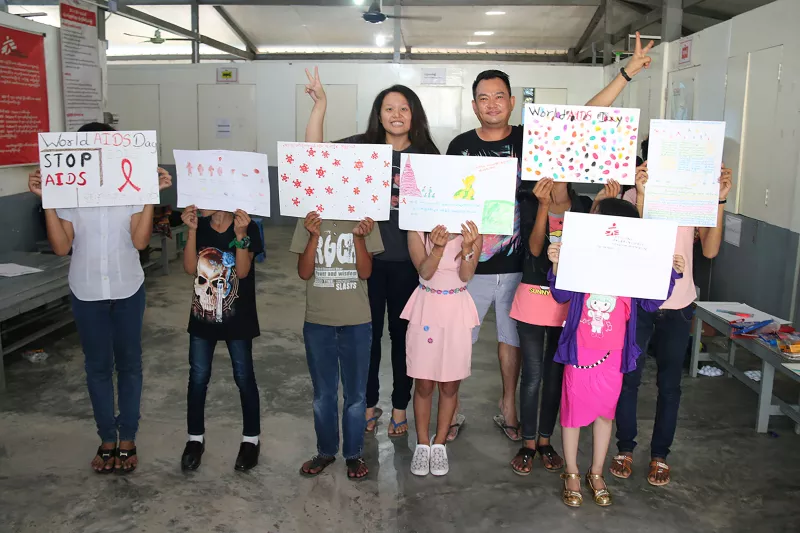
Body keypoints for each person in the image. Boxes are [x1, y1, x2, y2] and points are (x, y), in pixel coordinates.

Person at [447, 32, 656, 442]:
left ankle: (509, 408)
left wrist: (625, 74)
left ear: (511, 102)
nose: (492, 104)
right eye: (484, 98)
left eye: (499, 96)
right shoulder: (460, 146)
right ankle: (450, 412)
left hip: (520, 266)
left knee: (513, 346)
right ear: (474, 105)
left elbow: (584, 117)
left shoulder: (530, 139)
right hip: (470, 264)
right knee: (458, 342)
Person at [27, 121, 172, 474]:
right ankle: (107, 438)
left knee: (130, 365)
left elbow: (140, 243)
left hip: (127, 288)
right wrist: (49, 201)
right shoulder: (71, 192)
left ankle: (128, 439)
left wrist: (149, 194)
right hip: (87, 290)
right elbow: (62, 247)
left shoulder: (131, 186)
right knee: (97, 368)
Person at [303, 67, 440, 438]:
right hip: (366, 262)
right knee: (368, 339)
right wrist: (320, 106)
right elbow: (314, 155)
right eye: (388, 108)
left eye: (404, 108)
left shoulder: (429, 155)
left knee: (402, 340)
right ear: (378, 115)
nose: (396, 115)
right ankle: (367, 404)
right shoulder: (362, 149)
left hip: (410, 265)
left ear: (414, 115)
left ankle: (400, 407)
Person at [548, 198, 684, 507]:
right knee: (572, 414)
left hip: (613, 355)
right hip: (580, 350)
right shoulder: (581, 260)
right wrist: (557, 263)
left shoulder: (632, 271)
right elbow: (560, 294)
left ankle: (595, 473)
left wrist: (669, 273)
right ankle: (571, 472)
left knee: (604, 414)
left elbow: (651, 303)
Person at [610, 162, 733, 486]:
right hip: (638, 300)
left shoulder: (696, 197)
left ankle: (659, 455)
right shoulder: (634, 192)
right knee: (629, 378)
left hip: (679, 304)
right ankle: (625, 448)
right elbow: (629, 244)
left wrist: (719, 199)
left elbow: (710, 249)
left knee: (670, 385)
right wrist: (643, 197)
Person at [509, 178, 620, 474]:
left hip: (569, 304)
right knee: (532, 375)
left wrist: (599, 206)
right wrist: (544, 205)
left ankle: (546, 441)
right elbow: (534, 250)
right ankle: (528, 443)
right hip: (532, 297)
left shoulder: (582, 205)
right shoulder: (529, 200)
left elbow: (595, 246)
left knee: (556, 375)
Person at [291, 211, 384, 480]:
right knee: (323, 394)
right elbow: (304, 272)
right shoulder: (308, 218)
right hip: (318, 320)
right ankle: (326, 451)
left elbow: (366, 272)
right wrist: (313, 236)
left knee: (355, 396)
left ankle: (353, 454)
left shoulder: (366, 217)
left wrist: (359, 237)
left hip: (356, 320)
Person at [178, 205, 265, 472]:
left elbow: (242, 272)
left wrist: (240, 233)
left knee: (243, 376)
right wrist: (191, 231)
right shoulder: (199, 226)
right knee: (198, 376)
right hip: (202, 317)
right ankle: (195, 439)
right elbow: (190, 267)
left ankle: (251, 439)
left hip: (238, 319)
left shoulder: (247, 226)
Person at [404, 223, 482, 477]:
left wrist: (468, 247)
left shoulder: (471, 229)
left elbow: (466, 275)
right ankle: (422, 443)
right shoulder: (417, 228)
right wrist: (438, 247)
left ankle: (440, 443)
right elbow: (425, 272)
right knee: (424, 383)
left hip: (457, 309)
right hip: (427, 306)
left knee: (450, 385)